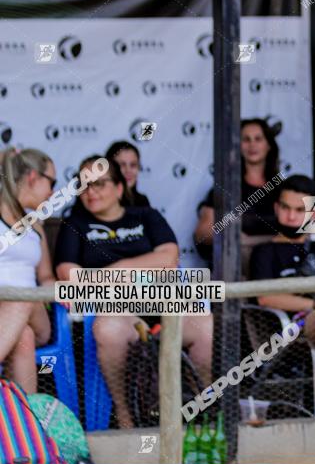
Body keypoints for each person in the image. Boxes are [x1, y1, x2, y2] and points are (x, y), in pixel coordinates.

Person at [54, 156, 213, 428]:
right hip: (117, 310)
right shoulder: (74, 225)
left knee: (205, 326)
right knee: (108, 330)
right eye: (84, 185)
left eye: (99, 184)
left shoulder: (145, 215)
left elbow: (169, 257)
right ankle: (126, 419)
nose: (90, 192)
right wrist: (132, 273)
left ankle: (203, 413)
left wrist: (119, 268)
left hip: (164, 304)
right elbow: (69, 274)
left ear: (119, 188)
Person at [250, 175, 315, 407]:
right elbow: (267, 297)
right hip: (293, 326)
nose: (291, 215)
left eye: (300, 209)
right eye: (286, 207)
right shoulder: (265, 251)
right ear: (276, 208)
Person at [0, 147, 56, 393]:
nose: (53, 192)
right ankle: (24, 423)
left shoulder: (37, 224)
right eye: (51, 182)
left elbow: (45, 277)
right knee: (24, 338)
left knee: (21, 299)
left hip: (31, 308)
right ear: (33, 177)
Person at [193, 118, 281, 262]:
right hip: (236, 268)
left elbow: (305, 230)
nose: (252, 144)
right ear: (237, 146)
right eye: (246, 139)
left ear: (269, 145)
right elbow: (202, 234)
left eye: (258, 139)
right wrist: (233, 234)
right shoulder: (224, 188)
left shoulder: (282, 188)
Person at [106, 141, 151, 207]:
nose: (128, 170)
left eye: (133, 165)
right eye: (122, 165)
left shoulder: (142, 201)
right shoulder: (98, 200)